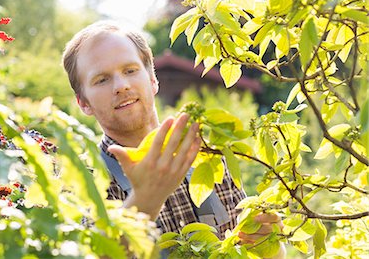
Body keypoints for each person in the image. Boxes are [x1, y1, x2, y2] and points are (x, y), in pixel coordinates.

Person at [62, 21, 285, 258]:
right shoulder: (82, 181)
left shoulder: (206, 154)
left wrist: (268, 244)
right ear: (83, 103)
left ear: (152, 79)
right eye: (102, 80)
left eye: (130, 70)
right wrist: (144, 201)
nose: (122, 86)